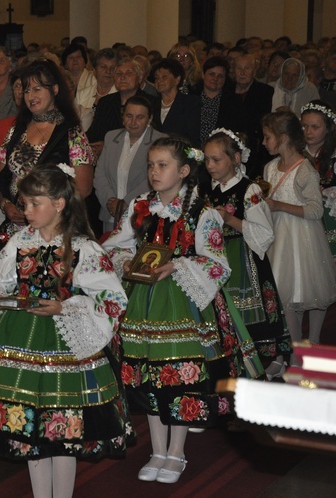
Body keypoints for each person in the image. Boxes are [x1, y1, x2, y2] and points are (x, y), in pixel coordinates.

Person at [0, 164, 132, 498]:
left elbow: (111, 298)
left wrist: (65, 306)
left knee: (62, 431)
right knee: (29, 432)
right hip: (19, 343)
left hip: (64, 346)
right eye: (24, 204)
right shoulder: (18, 242)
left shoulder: (84, 250)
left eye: (35, 204)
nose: (26, 211)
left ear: (59, 204)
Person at [102, 137, 257, 484]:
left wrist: (178, 267)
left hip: (180, 303)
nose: (154, 172)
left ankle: (177, 451)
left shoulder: (201, 213)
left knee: (178, 374)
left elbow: (217, 262)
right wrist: (128, 260)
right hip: (142, 299)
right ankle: (157, 449)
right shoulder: (141, 206)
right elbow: (117, 243)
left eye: (163, 165)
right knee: (147, 374)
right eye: (151, 165)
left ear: (184, 171)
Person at [199, 128, 291, 378]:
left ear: (236, 159)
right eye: (206, 159)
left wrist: (229, 219)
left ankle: (270, 360)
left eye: (216, 159)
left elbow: (264, 232)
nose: (210, 165)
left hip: (244, 259)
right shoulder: (206, 190)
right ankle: (237, 363)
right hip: (217, 258)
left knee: (251, 313)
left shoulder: (249, 190)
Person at [0, 59, 94, 248]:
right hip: (17, 229)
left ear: (55, 90)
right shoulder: (16, 130)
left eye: (37, 89)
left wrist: (45, 211)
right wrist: (5, 205)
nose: (31, 96)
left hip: (54, 228)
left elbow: (84, 188)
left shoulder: (71, 132)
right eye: (27, 90)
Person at [262, 110, 336, 351]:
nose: (264, 143)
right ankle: (297, 349)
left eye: (267, 137)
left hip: (303, 238)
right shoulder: (270, 168)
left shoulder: (305, 169)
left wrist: (280, 205)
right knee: (286, 298)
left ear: (283, 138)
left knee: (313, 291)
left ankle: (312, 341)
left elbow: (315, 210)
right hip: (279, 240)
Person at [94, 95, 167, 233]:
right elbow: (100, 175)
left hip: (143, 215)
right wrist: (111, 202)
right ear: (122, 117)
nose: (133, 122)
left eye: (140, 117)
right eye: (129, 116)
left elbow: (154, 178)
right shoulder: (111, 137)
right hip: (110, 215)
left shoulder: (160, 141)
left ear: (149, 119)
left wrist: (125, 204)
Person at [87, 58, 154, 157]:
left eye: (128, 73)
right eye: (118, 74)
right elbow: (94, 132)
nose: (123, 77)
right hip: (103, 158)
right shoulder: (105, 102)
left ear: (140, 78)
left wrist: (108, 146)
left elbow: (150, 137)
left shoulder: (151, 102)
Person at [301, 100, 336, 260]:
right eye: (304, 126)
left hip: (329, 219)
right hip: (302, 219)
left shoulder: (333, 158)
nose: (308, 131)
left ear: (329, 128)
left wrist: (328, 192)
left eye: (315, 127)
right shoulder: (296, 155)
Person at [150, 58, 201, 146]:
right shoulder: (151, 103)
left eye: (164, 77)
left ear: (177, 79)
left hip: (180, 153)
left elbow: (192, 137)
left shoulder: (191, 103)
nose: (159, 81)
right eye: (156, 77)